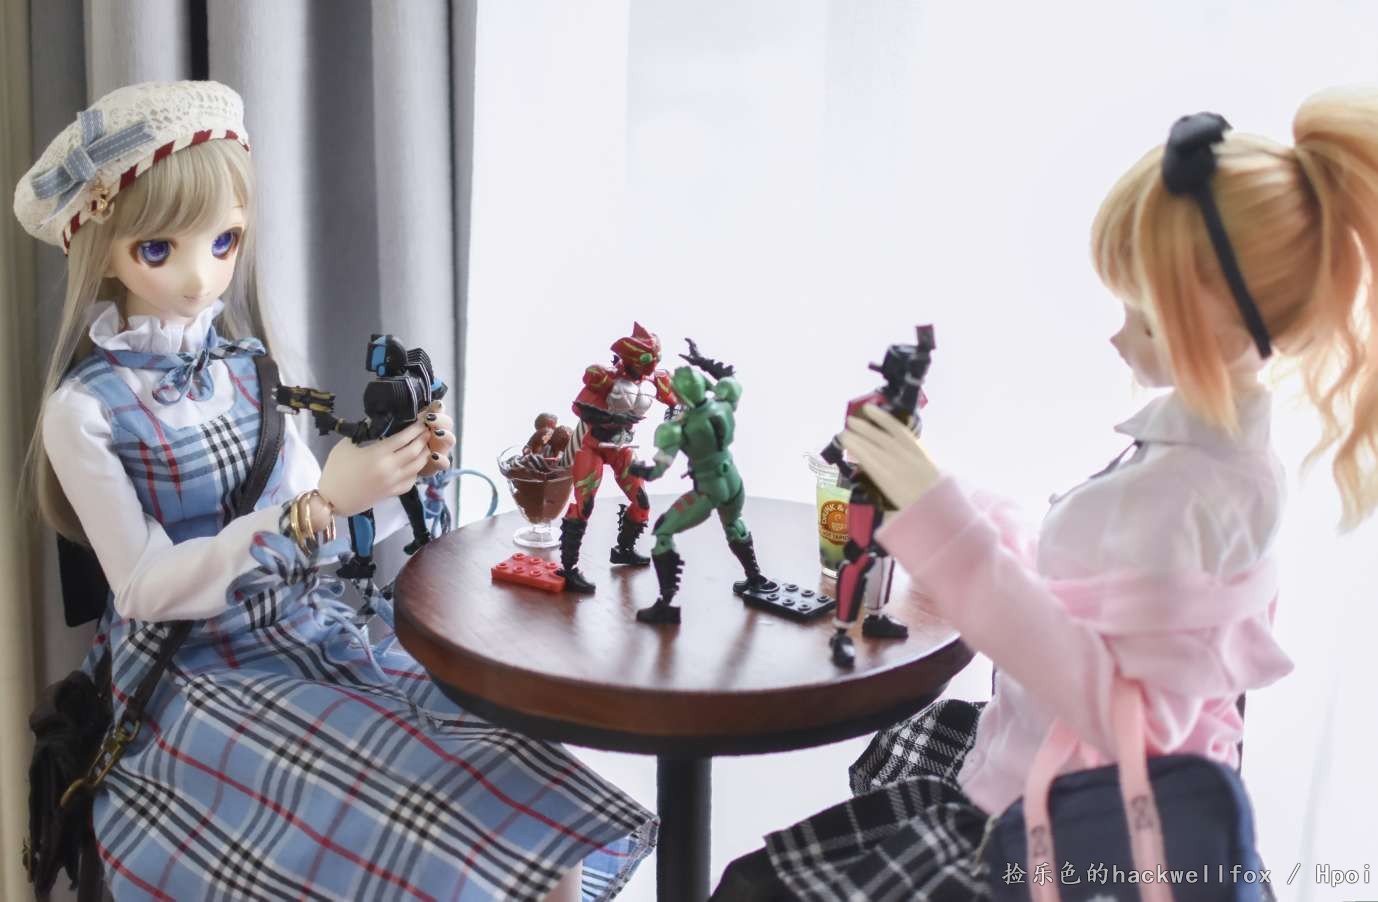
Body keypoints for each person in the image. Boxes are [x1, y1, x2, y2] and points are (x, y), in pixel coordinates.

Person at [713, 86, 1378, 900]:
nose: (1118, 335)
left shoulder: (1187, 494)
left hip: (1050, 842)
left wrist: (941, 524)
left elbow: (1132, 718)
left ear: (1230, 333)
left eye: (1144, 318)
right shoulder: (1212, 463)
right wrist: (942, 501)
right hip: (1032, 780)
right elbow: (1089, 588)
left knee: (755, 888)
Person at [16, 80, 654, 901]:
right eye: (158, 250)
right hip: (195, 677)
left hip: (307, 630)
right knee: (420, 816)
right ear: (100, 246)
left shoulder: (247, 369)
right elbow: (143, 588)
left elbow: (319, 531)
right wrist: (317, 508)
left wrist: (398, 475)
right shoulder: (86, 409)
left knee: (527, 784)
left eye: (224, 242)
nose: (200, 277)